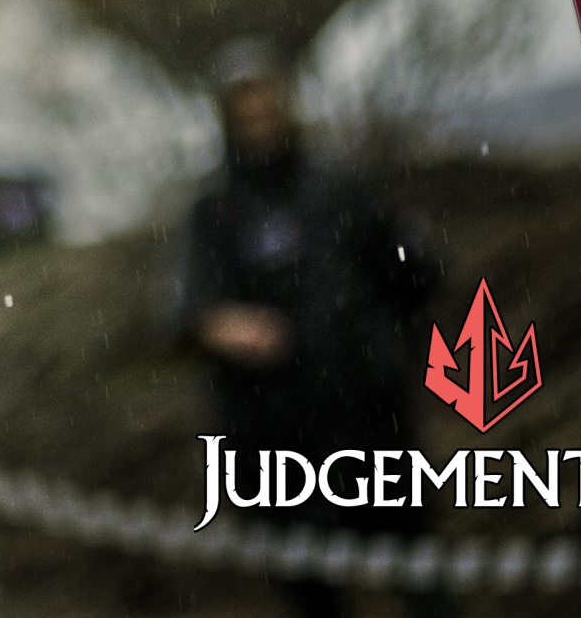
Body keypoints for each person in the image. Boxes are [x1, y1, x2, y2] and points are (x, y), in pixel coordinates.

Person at [176, 42, 443, 618]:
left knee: (416, 563)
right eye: (246, 112)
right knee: (312, 587)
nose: (260, 120)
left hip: (370, 416)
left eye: (267, 105)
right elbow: (190, 317)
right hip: (277, 435)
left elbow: (408, 271)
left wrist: (391, 325)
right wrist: (233, 328)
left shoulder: (334, 184)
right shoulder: (215, 209)